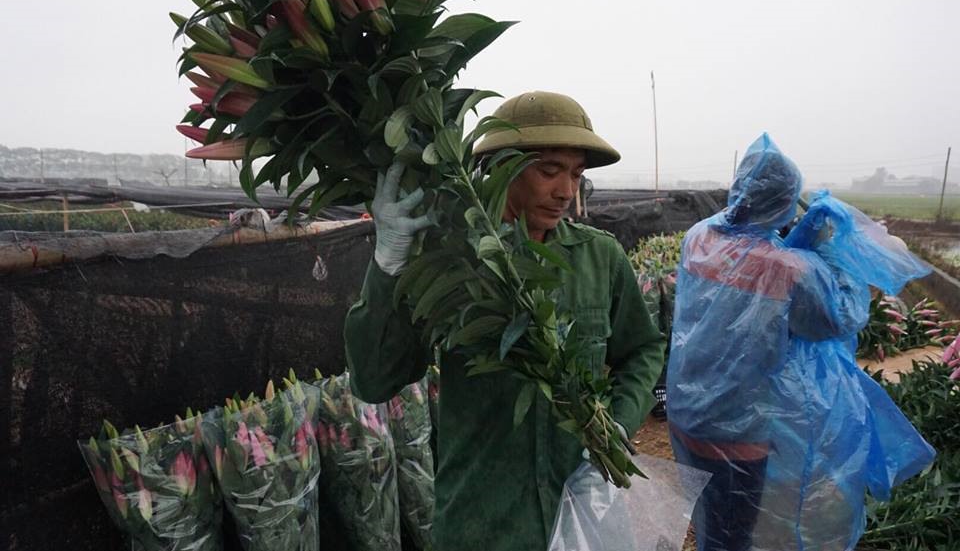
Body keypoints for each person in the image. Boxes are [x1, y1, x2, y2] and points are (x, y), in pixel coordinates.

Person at [344, 91, 666, 551]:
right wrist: (387, 266)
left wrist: (618, 418)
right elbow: (373, 380)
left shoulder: (600, 258)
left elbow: (643, 348)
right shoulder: (452, 263)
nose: (565, 190)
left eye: (576, 174)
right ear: (498, 168)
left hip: (578, 516)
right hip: (483, 524)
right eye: (549, 170)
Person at [666, 134, 871, 551]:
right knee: (733, 535)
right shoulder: (790, 267)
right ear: (783, 203)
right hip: (737, 431)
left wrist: (795, 248)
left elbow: (745, 266)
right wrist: (828, 252)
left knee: (710, 519)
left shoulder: (699, 238)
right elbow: (840, 316)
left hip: (686, 414)